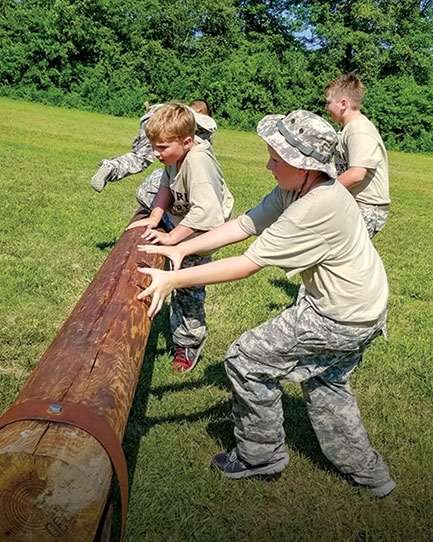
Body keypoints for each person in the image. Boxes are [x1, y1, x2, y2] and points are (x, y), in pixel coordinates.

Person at [135, 109, 396, 498]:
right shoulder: (300, 188)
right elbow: (245, 224)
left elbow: (247, 263)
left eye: (276, 159)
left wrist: (173, 279)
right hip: (366, 308)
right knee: (326, 382)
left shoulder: (316, 205)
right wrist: (181, 247)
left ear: (303, 166)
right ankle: (372, 475)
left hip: (337, 316)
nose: (268, 165)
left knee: (246, 360)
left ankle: (261, 456)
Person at [127, 102, 234, 373]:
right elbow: (165, 185)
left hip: (201, 234)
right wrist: (153, 218)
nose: (156, 153)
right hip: (184, 221)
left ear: (187, 141)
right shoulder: (175, 157)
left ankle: (189, 342)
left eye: (161, 147)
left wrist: (173, 238)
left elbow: (207, 213)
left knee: (187, 289)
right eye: (153, 146)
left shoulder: (198, 161)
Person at [90, 99, 216, 211]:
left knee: (139, 157)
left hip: (155, 115)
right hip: (175, 128)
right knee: (152, 186)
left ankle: (112, 166)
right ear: (201, 111)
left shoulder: (173, 110)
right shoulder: (198, 120)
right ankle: (173, 216)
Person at [325, 73, 391, 238]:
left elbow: (356, 174)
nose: (326, 108)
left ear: (343, 104)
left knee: (343, 258)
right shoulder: (347, 129)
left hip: (367, 208)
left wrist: (321, 192)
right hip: (354, 203)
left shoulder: (359, 130)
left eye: (328, 103)